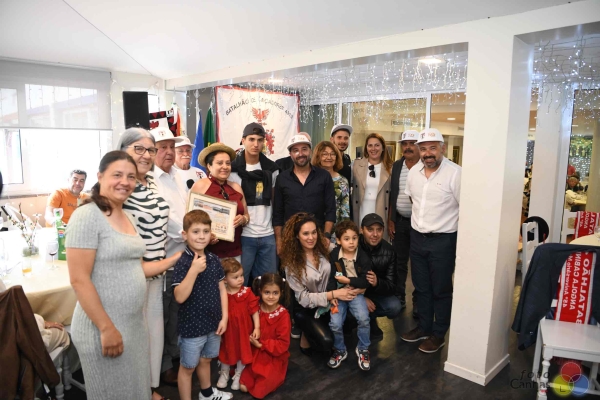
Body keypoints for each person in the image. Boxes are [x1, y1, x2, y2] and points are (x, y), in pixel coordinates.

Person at [66, 150, 151, 400]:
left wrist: (179, 259)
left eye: (131, 177)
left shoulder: (128, 215)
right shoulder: (86, 216)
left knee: (136, 392)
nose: (125, 182)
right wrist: (106, 328)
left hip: (132, 325)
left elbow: (135, 268)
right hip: (102, 328)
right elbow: (79, 279)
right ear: (100, 176)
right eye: (117, 175)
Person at [117, 127, 181, 400]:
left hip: (157, 273)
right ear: (123, 151)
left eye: (150, 150)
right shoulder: (120, 186)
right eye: (138, 149)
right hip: (131, 275)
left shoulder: (152, 181)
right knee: (133, 339)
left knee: (154, 337)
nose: (146, 155)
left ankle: (148, 388)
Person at [401, 128, 461, 354]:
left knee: (441, 289)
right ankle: (424, 327)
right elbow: (414, 200)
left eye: (433, 148)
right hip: (417, 238)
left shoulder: (455, 174)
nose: (428, 153)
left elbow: (465, 208)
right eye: (424, 148)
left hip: (443, 240)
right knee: (421, 287)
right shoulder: (414, 173)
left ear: (442, 148)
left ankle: (439, 334)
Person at [172, 210, 232, 400]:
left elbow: (222, 289)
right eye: (196, 231)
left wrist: (224, 317)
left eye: (205, 231)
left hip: (213, 323)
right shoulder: (183, 261)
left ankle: (206, 393)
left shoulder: (213, 259)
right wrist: (193, 270)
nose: (201, 236)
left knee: (206, 359)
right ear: (185, 235)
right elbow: (179, 297)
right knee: (188, 368)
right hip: (192, 327)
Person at [282, 213, 357, 354]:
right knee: (327, 342)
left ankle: (329, 328)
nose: (311, 237)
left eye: (314, 232)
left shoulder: (324, 247)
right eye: (305, 234)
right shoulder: (292, 264)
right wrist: (333, 294)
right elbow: (304, 299)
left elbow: (347, 249)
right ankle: (306, 333)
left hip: (330, 302)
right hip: (307, 308)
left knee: (354, 317)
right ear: (297, 236)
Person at [150, 127, 188, 385]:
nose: (168, 152)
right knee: (161, 317)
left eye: (171, 147)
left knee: (176, 314)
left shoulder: (178, 176)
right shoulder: (150, 180)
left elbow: (188, 209)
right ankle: (163, 367)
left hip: (182, 257)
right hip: (162, 261)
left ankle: (174, 357)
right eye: (162, 147)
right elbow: (166, 219)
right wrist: (192, 234)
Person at [230, 122, 280, 285]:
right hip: (243, 236)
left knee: (268, 284)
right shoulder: (232, 170)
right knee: (238, 283)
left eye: (260, 140)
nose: (256, 144)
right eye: (251, 139)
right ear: (243, 140)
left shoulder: (272, 169)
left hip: (267, 234)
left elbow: (275, 201)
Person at [273, 134, 336, 255]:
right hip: (290, 240)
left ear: (310, 151)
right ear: (290, 154)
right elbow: (278, 213)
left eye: (304, 149)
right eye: (295, 150)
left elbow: (331, 210)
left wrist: (326, 236)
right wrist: (279, 240)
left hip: (317, 239)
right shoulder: (282, 178)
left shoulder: (324, 176)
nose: (300, 154)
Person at [326, 220, 372, 371]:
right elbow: (331, 277)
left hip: (355, 293)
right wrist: (332, 295)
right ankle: (340, 349)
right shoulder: (334, 255)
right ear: (339, 241)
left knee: (364, 319)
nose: (351, 242)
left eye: (354, 238)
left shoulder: (363, 256)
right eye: (346, 239)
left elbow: (366, 281)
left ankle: (363, 348)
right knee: (335, 323)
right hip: (339, 293)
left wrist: (349, 280)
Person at [193, 143, 250, 261]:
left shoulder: (236, 187)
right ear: (209, 166)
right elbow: (190, 220)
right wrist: (205, 235)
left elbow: (246, 215)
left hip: (234, 252)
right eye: (219, 163)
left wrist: (243, 219)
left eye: (228, 163)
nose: (225, 167)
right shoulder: (200, 186)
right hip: (208, 253)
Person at [240, 273, 291, 399]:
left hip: (273, 356)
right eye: (267, 292)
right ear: (260, 291)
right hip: (254, 353)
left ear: (281, 293)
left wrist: (261, 345)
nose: (271, 297)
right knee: (243, 387)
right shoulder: (255, 309)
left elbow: (283, 344)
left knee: (259, 391)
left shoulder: (283, 315)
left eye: (275, 293)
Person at [388, 130, 421, 314]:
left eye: (412, 143)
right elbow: (393, 194)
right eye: (405, 144)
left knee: (417, 263)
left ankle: (418, 300)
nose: (408, 147)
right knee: (399, 261)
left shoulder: (425, 165)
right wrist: (391, 219)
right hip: (400, 221)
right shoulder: (397, 166)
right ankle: (399, 295)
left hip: (419, 224)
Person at [217, 258, 260, 391]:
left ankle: (239, 373)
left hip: (244, 330)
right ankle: (224, 372)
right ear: (225, 279)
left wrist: (257, 327)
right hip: (228, 331)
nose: (240, 279)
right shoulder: (222, 294)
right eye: (235, 277)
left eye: (241, 275)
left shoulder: (246, 292)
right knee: (226, 350)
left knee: (242, 350)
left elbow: (254, 311)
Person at [359, 213, 402, 338]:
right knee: (349, 316)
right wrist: (361, 298)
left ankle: (370, 318)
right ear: (362, 230)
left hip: (376, 294)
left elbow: (392, 286)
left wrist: (377, 282)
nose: (375, 234)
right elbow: (341, 279)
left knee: (394, 306)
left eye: (379, 230)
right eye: (370, 230)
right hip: (354, 294)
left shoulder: (389, 251)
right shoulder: (353, 246)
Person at [352, 133, 392, 241]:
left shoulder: (390, 167)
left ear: (383, 147)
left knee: (377, 243)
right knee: (360, 242)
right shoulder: (356, 165)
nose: (373, 149)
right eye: (370, 145)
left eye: (377, 145)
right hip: (361, 212)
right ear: (366, 148)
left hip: (380, 213)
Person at [311, 141, 350, 244]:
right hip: (313, 229)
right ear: (318, 157)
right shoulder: (311, 178)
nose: (329, 157)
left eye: (333, 154)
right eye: (324, 154)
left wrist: (344, 233)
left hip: (336, 231)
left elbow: (345, 210)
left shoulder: (342, 181)